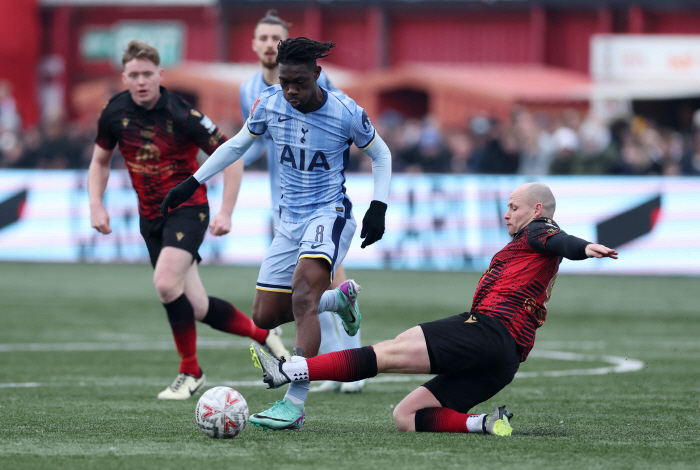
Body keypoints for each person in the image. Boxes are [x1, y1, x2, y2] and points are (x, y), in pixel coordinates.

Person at [249, 182, 618, 435]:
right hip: (505, 361)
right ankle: (485, 423)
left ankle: (289, 370)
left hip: (488, 331)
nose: (506, 213)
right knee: (406, 416)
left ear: (536, 210)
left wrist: (585, 247)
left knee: (388, 353)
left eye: (513, 207)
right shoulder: (531, 240)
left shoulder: (539, 229)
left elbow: (561, 240)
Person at [162, 37, 392, 429]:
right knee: (265, 316)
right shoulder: (270, 102)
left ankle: (294, 403)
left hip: (329, 214)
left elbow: (381, 154)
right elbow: (237, 146)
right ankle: (338, 302)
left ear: (318, 74)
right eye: (285, 82)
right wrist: (193, 181)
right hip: (288, 221)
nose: (291, 91)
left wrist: (379, 206)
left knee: (303, 293)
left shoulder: (345, 111)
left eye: (299, 82)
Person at [88, 40, 289, 401]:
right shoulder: (114, 112)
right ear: (124, 78)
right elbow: (100, 161)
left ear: (160, 75)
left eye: (147, 74)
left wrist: (226, 211)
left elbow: (235, 156)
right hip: (150, 218)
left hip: (188, 209)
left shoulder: (183, 114)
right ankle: (264, 335)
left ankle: (190, 371)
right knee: (195, 306)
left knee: (166, 284)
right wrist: (95, 204)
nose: (141, 81)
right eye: (133, 75)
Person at [239, 10, 366, 394]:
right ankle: (329, 362)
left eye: (275, 37)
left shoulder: (314, 84)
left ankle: (351, 366)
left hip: (323, 204)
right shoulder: (252, 91)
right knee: (298, 296)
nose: (268, 44)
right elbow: (252, 141)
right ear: (254, 44)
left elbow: (339, 126)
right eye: (262, 37)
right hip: (284, 204)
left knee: (317, 282)